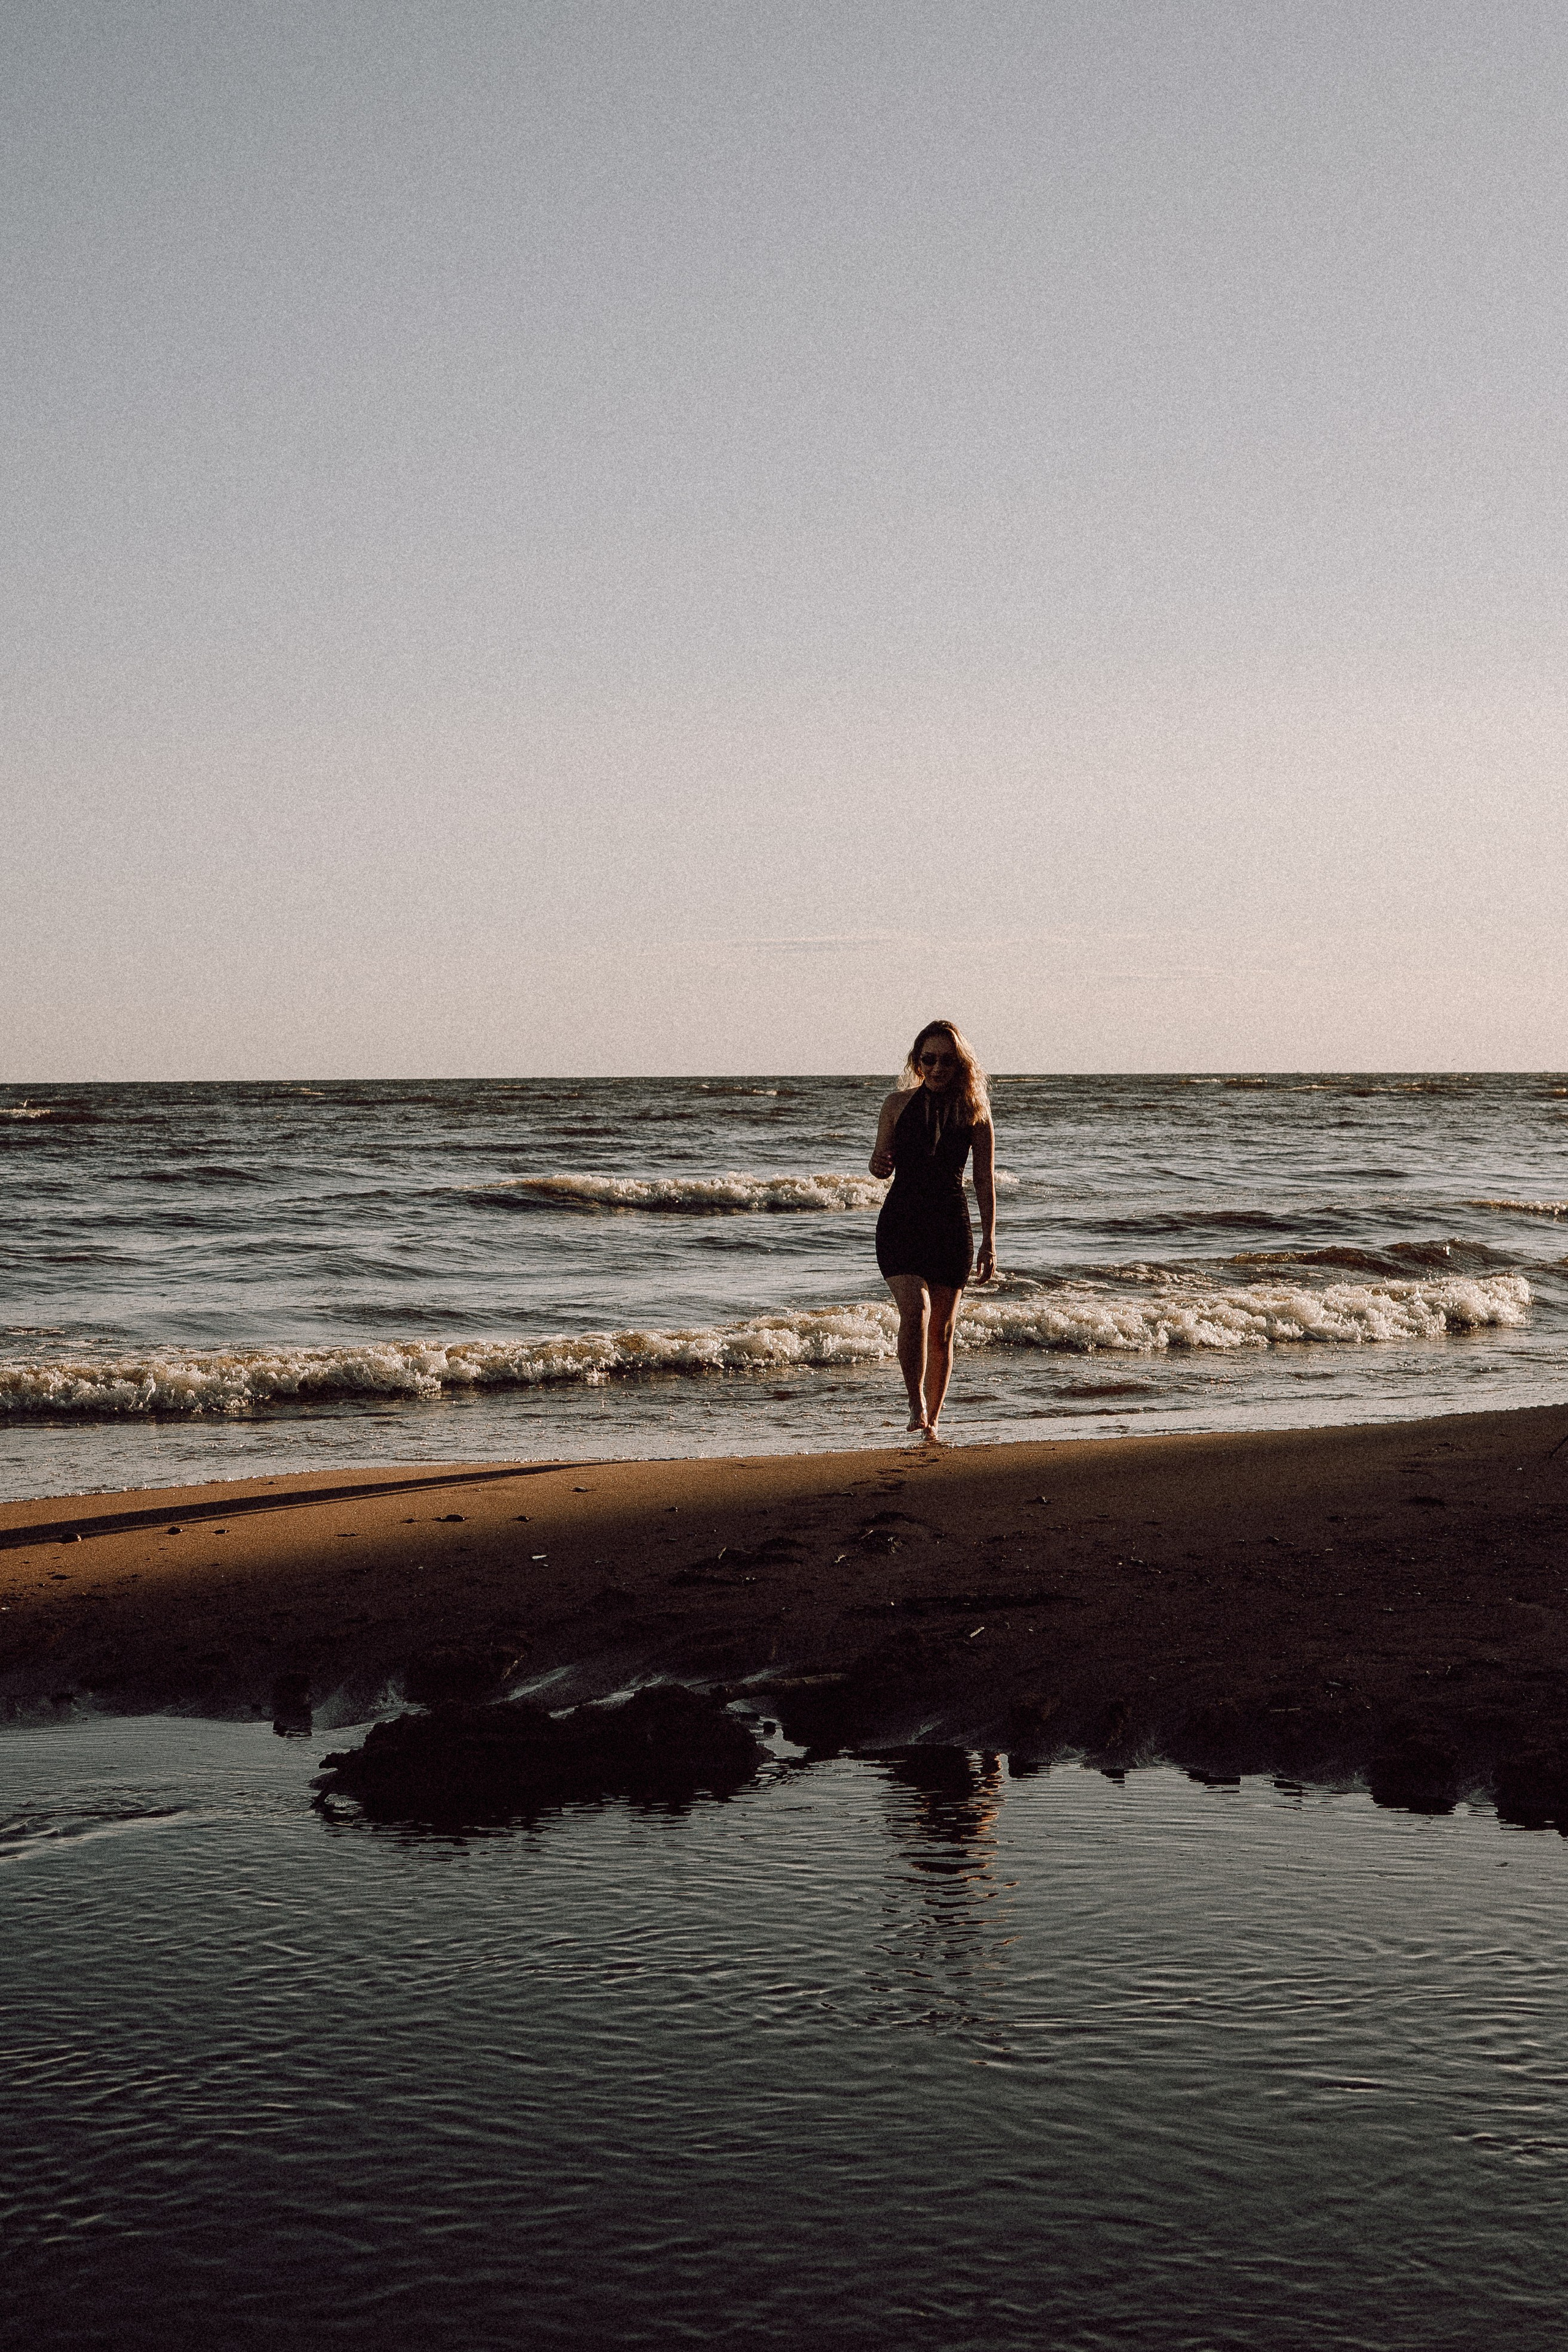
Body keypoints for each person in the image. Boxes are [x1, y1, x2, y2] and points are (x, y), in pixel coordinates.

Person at [869, 1020, 996, 1441]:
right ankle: (916, 1404)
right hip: (901, 1222)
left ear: (960, 1064)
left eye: (947, 1060)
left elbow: (983, 1180)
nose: (938, 1068)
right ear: (917, 1062)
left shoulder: (976, 1112)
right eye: (930, 1059)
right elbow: (877, 1161)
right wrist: (879, 1165)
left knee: (942, 1329)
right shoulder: (896, 1104)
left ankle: (934, 1421)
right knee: (916, 1312)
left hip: (950, 1225)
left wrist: (990, 1239)